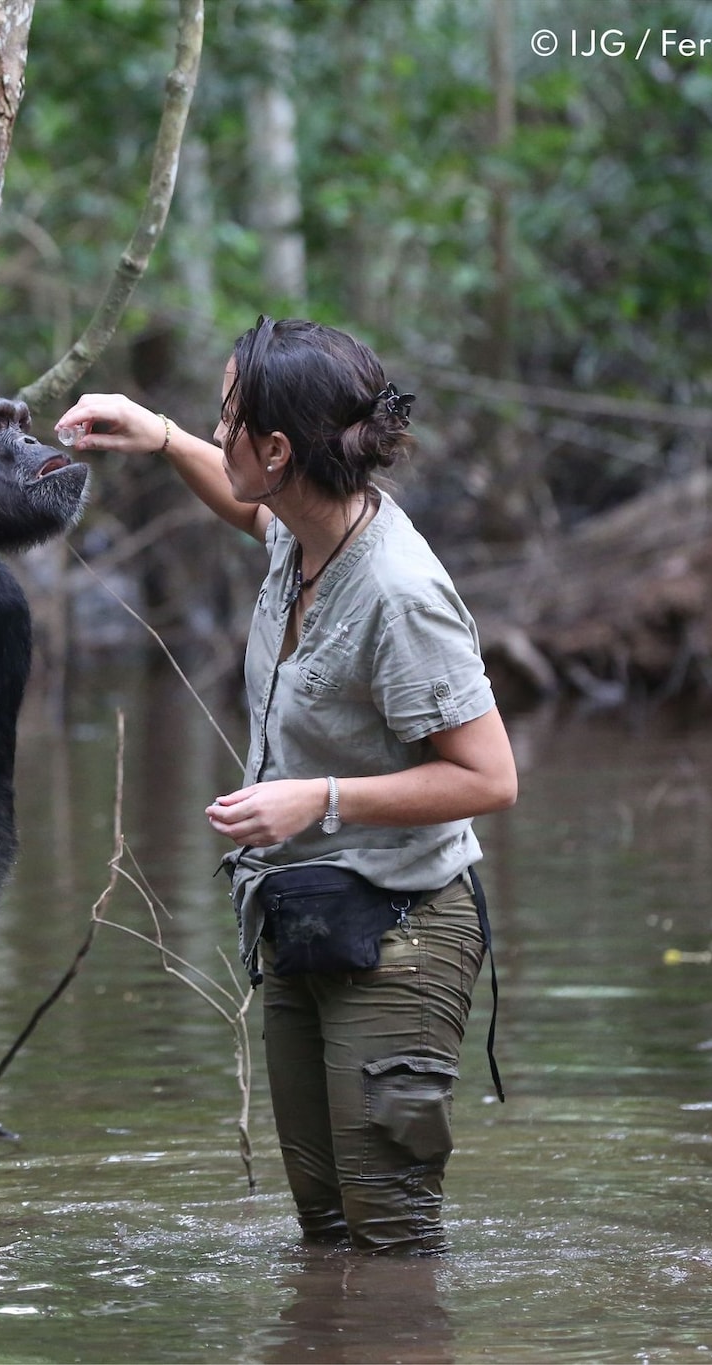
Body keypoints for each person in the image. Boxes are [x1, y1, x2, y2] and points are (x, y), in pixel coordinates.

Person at [54, 317, 518, 1254]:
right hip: (306, 912)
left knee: (391, 1235)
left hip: (407, 930)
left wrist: (319, 799)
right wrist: (162, 433)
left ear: (275, 449)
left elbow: (491, 776)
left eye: (225, 418)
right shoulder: (304, 529)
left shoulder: (399, 594)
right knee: (326, 1229)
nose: (215, 430)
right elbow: (253, 511)